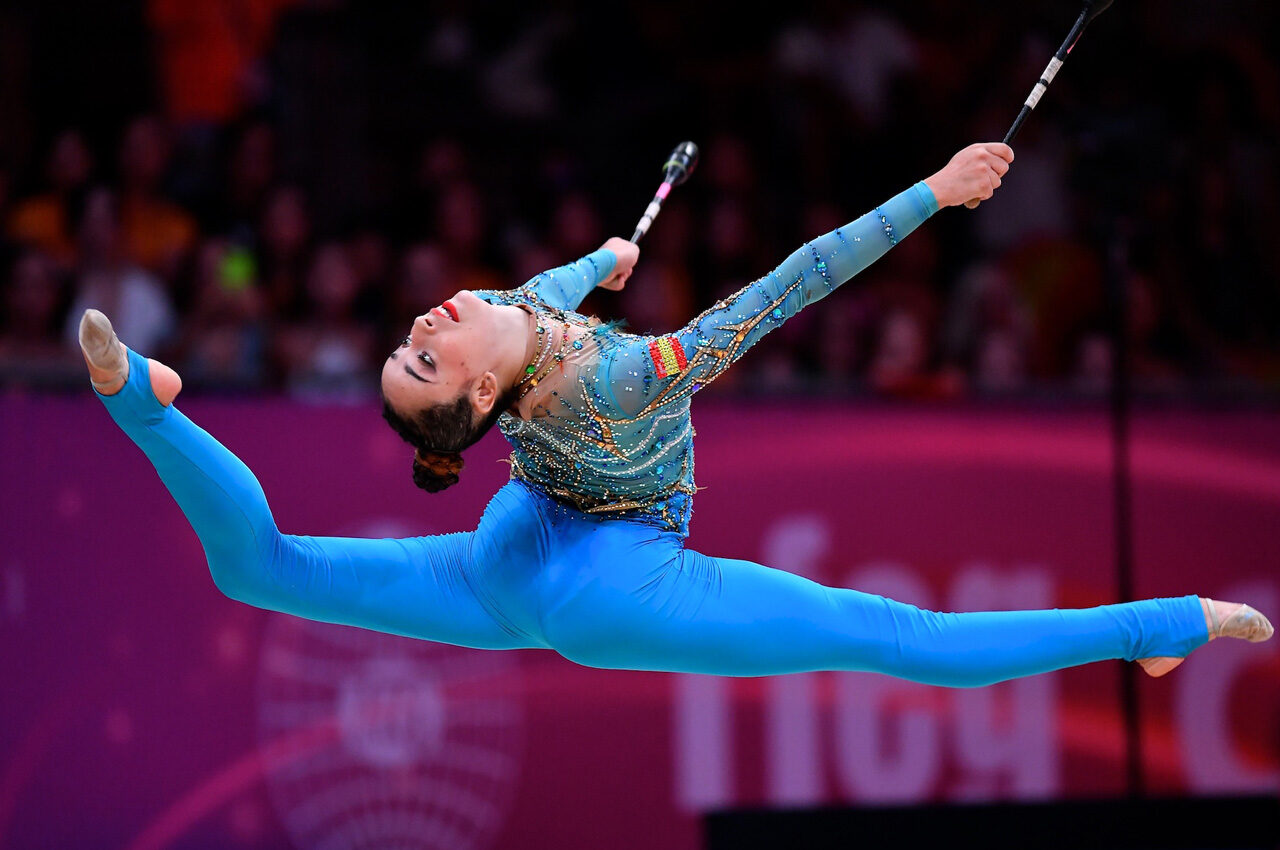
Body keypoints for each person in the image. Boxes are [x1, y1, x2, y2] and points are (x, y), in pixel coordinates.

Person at [80, 142, 1271, 685]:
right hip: (603, 579)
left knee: (260, 575)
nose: (425, 329)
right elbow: (797, 278)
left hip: (515, 549)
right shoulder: (630, 376)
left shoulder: (501, 314)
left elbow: (533, 297)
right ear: (482, 402)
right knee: (895, 640)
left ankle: (143, 401)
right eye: (424, 364)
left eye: (408, 344)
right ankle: (1154, 624)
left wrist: (594, 260)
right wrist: (934, 192)